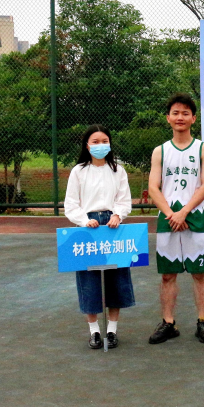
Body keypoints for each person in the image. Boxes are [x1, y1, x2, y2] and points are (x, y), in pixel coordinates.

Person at [148, 93, 204, 344]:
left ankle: (202, 321)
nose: (180, 117)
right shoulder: (160, 151)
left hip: (194, 216)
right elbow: (153, 187)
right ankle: (168, 322)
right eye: (175, 113)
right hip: (168, 218)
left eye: (185, 113)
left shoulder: (203, 149)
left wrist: (184, 212)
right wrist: (171, 214)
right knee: (168, 274)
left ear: (193, 118)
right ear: (168, 118)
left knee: (199, 273)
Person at [64, 124, 134, 349]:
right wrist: (84, 220)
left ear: (110, 144)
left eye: (104, 141)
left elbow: (124, 200)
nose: (100, 145)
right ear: (87, 146)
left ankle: (112, 330)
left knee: (117, 279)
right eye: (95, 142)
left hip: (113, 226)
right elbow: (71, 204)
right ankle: (94, 331)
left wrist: (118, 215)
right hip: (88, 228)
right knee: (89, 281)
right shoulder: (78, 171)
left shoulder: (117, 170)